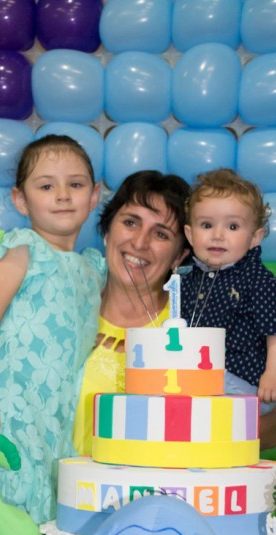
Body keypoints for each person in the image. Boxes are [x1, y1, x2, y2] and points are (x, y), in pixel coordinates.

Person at [0, 134, 106, 525]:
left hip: (59, 411)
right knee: (11, 498)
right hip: (12, 406)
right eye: (46, 186)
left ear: (94, 195)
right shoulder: (22, 250)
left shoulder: (92, 268)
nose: (62, 195)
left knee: (51, 501)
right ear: (21, 200)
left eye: (75, 184)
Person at [73, 170, 191, 457]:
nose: (140, 242)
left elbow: (266, 426)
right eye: (130, 223)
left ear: (179, 256)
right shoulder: (63, 308)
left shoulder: (189, 331)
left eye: (161, 234)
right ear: (107, 231)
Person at [180, 168, 276, 442]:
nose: (218, 235)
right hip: (200, 375)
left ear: (254, 237)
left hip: (242, 379)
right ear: (190, 235)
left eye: (232, 227)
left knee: (205, 422)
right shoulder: (188, 278)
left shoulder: (257, 280)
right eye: (207, 225)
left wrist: (274, 373)